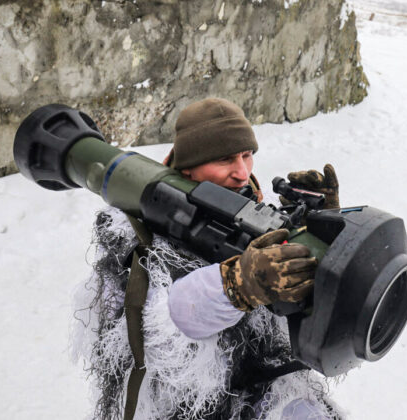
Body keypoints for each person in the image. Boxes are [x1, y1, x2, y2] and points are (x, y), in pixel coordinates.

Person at [71, 98, 343, 420]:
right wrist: (237, 285)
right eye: (226, 159)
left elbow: (297, 320)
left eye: (247, 155)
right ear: (189, 167)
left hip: (262, 390)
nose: (242, 172)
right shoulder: (137, 238)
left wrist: (321, 232)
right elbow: (160, 341)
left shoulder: (259, 210)